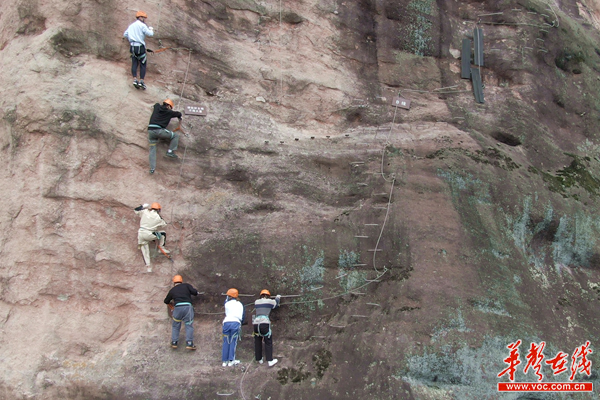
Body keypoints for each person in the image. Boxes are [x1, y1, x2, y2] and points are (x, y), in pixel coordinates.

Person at [147, 99, 182, 174]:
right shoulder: (169, 112)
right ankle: (170, 151)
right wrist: (180, 116)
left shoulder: (157, 107)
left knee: (152, 149)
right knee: (175, 136)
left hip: (150, 131)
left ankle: (152, 168)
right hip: (159, 131)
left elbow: (156, 104)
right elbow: (178, 114)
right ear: (169, 106)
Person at [164, 275, 199, 350]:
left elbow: (166, 301)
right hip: (187, 307)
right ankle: (189, 343)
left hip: (177, 308)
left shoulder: (172, 290)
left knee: (175, 325)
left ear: (174, 282)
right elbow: (195, 292)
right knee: (189, 325)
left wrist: (171, 307)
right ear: (181, 281)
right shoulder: (186, 286)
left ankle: (174, 342)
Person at [134, 202, 169, 272]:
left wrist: (143, 206)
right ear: (159, 210)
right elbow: (164, 224)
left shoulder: (145, 211)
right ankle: (162, 247)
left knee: (145, 251)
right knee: (163, 233)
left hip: (141, 233)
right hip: (150, 234)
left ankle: (148, 267)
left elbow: (136, 210)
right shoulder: (158, 217)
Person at [123, 11, 154, 89]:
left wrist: (131, 37)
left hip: (132, 46)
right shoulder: (142, 25)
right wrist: (151, 29)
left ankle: (134, 79)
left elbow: (125, 34)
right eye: (144, 18)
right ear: (140, 17)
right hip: (140, 46)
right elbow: (150, 34)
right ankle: (141, 81)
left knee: (134, 63)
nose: (144, 19)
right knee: (143, 64)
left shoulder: (131, 26)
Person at [253, 289, 280, 367]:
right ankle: (270, 360)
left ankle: (259, 359)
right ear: (268, 296)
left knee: (257, 341)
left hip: (256, 324)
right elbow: (276, 304)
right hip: (264, 323)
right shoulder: (269, 301)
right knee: (268, 341)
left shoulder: (256, 302)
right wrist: (278, 297)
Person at [222, 288, 245, 367]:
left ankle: (224, 361)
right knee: (233, 341)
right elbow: (243, 316)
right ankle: (231, 360)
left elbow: (225, 302)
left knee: (226, 341)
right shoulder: (240, 304)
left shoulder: (227, 304)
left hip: (226, 323)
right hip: (235, 322)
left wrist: (227, 298)